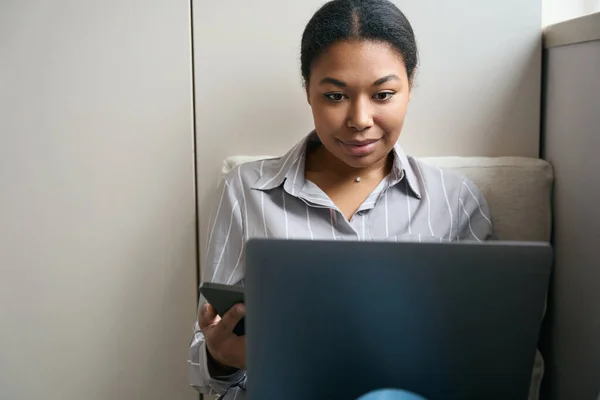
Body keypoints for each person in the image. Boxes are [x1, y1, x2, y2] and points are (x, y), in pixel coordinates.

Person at [188, 0, 492, 398]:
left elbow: (484, 355)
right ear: (308, 90)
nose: (360, 119)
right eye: (335, 96)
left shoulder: (457, 202)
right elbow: (205, 361)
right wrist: (222, 357)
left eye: (383, 94)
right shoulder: (246, 190)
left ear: (410, 86)